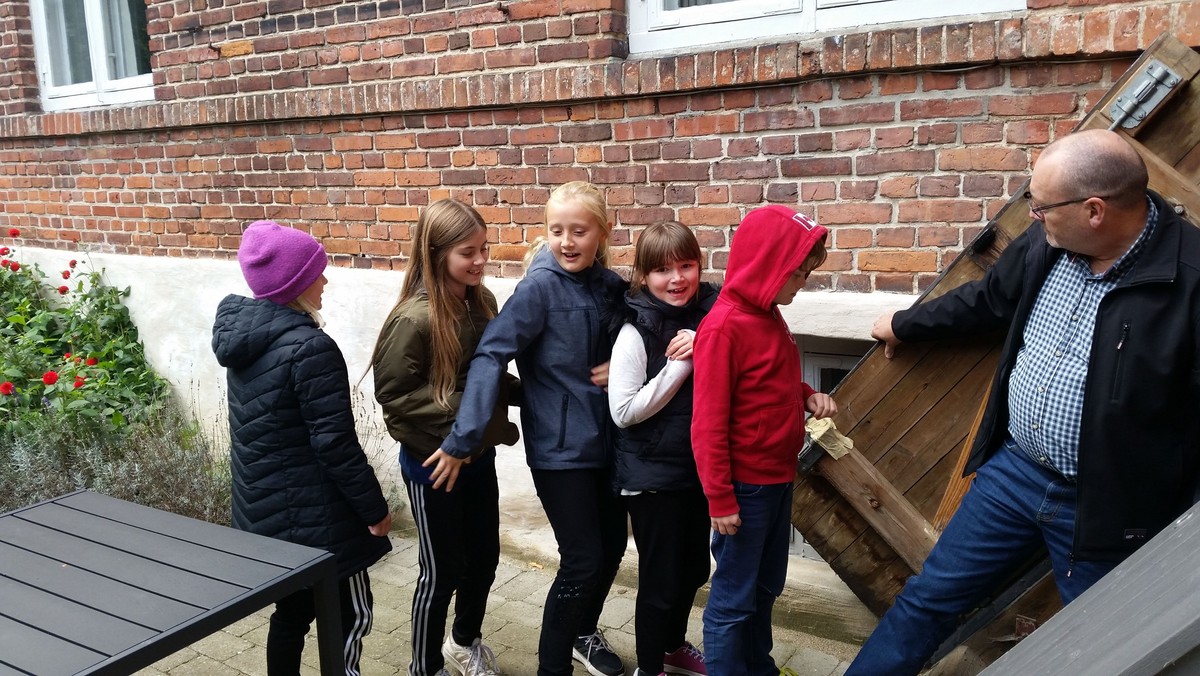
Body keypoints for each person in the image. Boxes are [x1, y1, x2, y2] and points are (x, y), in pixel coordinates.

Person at [846, 128, 1200, 675]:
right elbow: (989, 300)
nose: (1033, 216)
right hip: (1014, 475)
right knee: (926, 602)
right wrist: (906, 324)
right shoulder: (1049, 242)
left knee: (1108, 649)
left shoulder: (1190, 281)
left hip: (1108, 508)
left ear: (1094, 211)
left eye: (1042, 206)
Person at [431, 181, 629, 676]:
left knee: (611, 549)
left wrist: (628, 365)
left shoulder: (610, 285)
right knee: (582, 560)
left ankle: (583, 631)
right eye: (556, 230)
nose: (567, 241)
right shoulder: (538, 290)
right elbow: (490, 356)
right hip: (560, 449)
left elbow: (648, 329)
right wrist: (464, 436)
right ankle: (552, 668)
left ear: (603, 232)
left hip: (611, 440)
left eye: (578, 231)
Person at [212, 220, 393, 676]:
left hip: (268, 515)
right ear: (295, 284)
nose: (325, 280)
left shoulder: (247, 345)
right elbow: (335, 444)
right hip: (321, 521)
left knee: (291, 614)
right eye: (317, 272)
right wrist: (374, 511)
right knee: (352, 614)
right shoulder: (311, 349)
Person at [371, 200, 519, 676]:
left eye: (484, 249)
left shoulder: (483, 301)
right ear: (436, 254)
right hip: (432, 464)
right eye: (467, 252)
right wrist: (469, 411)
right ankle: (424, 665)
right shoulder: (413, 318)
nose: (480, 261)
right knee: (441, 572)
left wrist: (536, 391)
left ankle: (463, 643)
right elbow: (394, 394)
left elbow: (489, 374)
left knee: (485, 560)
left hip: (478, 457)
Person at [691, 205, 838, 676]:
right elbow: (707, 424)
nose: (803, 283)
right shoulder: (723, 328)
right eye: (797, 273)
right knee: (734, 597)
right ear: (765, 266)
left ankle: (758, 667)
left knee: (767, 586)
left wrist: (807, 395)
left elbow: (771, 382)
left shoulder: (770, 315)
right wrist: (719, 499)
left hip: (777, 480)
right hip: (744, 490)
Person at [608, 222, 718, 676]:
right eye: (662, 270)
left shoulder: (713, 312)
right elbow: (623, 411)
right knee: (661, 580)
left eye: (686, 266)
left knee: (694, 571)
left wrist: (705, 340)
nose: (676, 279)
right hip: (652, 475)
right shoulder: (636, 330)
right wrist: (681, 365)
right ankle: (649, 668)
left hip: (696, 467)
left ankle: (672, 647)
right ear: (643, 275)